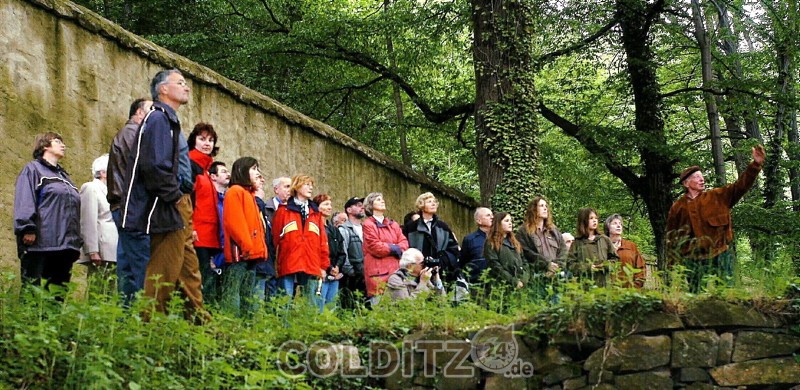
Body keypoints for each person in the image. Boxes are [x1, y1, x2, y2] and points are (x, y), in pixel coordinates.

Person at [122, 69, 206, 322]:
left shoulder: (169, 120)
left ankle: (201, 325)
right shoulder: (158, 118)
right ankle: (148, 331)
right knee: (163, 271)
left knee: (188, 269)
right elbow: (154, 166)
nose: (187, 87)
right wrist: (175, 197)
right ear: (163, 90)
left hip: (179, 201)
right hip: (171, 203)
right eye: (180, 82)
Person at [666, 145, 765, 291]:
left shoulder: (718, 196)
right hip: (693, 260)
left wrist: (755, 165)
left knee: (727, 293)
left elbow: (741, 186)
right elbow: (672, 238)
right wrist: (671, 267)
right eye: (697, 177)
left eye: (702, 176)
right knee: (695, 297)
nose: (701, 179)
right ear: (686, 183)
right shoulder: (677, 208)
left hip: (720, 253)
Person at [14, 132, 82, 293]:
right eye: (58, 141)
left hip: (65, 246)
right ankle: (29, 319)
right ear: (45, 146)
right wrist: (27, 228)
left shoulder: (65, 178)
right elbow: (25, 198)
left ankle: (54, 319)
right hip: (40, 243)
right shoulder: (33, 169)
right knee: (33, 292)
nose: (63, 145)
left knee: (57, 294)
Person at [107, 98, 152, 305]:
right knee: (143, 265)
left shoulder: (127, 134)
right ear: (139, 113)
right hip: (133, 207)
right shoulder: (135, 134)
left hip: (123, 205)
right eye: (152, 110)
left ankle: (126, 314)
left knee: (126, 263)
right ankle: (144, 314)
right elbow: (147, 169)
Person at [221, 157, 267, 316]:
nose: (257, 173)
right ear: (242, 170)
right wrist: (247, 246)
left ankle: (246, 327)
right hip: (240, 254)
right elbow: (235, 223)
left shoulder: (249, 194)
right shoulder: (235, 192)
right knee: (233, 292)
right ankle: (232, 327)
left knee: (247, 294)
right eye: (254, 169)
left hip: (251, 254)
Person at [272, 175, 329, 301]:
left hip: (311, 263)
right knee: (284, 301)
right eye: (307, 184)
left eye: (311, 185)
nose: (311, 187)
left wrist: (323, 266)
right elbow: (275, 240)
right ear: (297, 187)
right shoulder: (283, 211)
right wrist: (276, 264)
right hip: (288, 262)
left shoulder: (316, 214)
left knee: (311, 302)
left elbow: (322, 242)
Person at [188, 123, 224, 304]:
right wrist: (190, 226)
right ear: (193, 141)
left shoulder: (206, 170)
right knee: (197, 276)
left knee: (206, 276)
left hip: (210, 234)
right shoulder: (190, 166)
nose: (207, 143)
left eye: (210, 140)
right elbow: (188, 199)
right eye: (202, 139)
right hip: (197, 232)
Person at [78, 154, 118, 291]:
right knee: (98, 290)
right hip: (102, 250)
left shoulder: (112, 191)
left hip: (114, 250)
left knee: (112, 291)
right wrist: (92, 251)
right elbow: (88, 221)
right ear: (103, 173)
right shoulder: (91, 188)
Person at [362, 192, 409, 304]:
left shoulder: (393, 224)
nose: (382, 201)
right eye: (378, 200)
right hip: (378, 274)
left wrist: (392, 247)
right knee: (380, 311)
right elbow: (375, 247)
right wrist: (395, 248)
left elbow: (404, 243)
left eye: (382, 199)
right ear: (370, 204)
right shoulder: (368, 224)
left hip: (396, 273)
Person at [403, 192, 460, 282]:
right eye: (429, 201)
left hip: (441, 273)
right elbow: (405, 248)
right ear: (421, 205)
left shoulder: (443, 227)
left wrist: (441, 261)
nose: (433, 204)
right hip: (417, 273)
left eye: (434, 202)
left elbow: (453, 248)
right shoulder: (411, 227)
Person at [515, 197, 566, 297]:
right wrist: (546, 265)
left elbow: (563, 250)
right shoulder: (524, 231)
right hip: (538, 277)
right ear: (533, 209)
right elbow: (526, 252)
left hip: (557, 277)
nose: (545, 208)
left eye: (546, 206)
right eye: (541, 206)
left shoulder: (553, 230)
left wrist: (556, 267)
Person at [255, 176, 290, 300]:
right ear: (276, 189)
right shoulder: (265, 208)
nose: (290, 190)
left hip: (287, 261)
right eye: (286, 186)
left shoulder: (294, 211)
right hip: (268, 260)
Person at [567, 208, 618, 287]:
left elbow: (615, 259)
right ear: (584, 221)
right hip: (585, 287)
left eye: (596, 218)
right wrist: (587, 267)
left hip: (604, 285)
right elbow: (570, 264)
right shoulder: (577, 243)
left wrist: (606, 265)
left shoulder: (604, 239)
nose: (595, 221)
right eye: (591, 218)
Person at [313, 194, 346, 311]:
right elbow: (316, 250)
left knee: (331, 308)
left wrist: (337, 266)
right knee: (318, 308)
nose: (329, 207)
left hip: (334, 275)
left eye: (330, 205)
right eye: (326, 204)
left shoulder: (334, 230)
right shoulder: (314, 227)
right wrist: (329, 267)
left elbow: (342, 252)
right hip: (320, 273)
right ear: (317, 207)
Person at [484, 212, 529, 290]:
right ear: (498, 223)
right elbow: (495, 266)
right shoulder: (491, 243)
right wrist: (513, 281)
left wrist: (524, 279)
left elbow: (524, 261)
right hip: (501, 287)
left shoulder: (515, 242)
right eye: (506, 221)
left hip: (520, 286)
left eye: (511, 221)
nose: (510, 223)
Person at [338, 196, 367, 308]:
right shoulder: (344, 229)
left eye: (362, 205)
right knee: (351, 306)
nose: (362, 207)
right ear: (349, 210)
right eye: (358, 205)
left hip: (366, 274)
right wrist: (351, 272)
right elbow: (343, 252)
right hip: (353, 276)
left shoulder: (366, 228)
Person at [604, 214, 645, 288]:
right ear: (608, 226)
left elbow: (641, 268)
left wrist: (635, 287)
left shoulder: (631, 246)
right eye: (615, 223)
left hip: (628, 293)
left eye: (620, 224)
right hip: (607, 293)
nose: (619, 226)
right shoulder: (602, 246)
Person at [460, 207, 493, 283]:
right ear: (479, 221)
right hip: (476, 282)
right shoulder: (470, 239)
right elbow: (463, 262)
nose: (492, 217)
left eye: (492, 215)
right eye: (488, 215)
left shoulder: (499, 238)